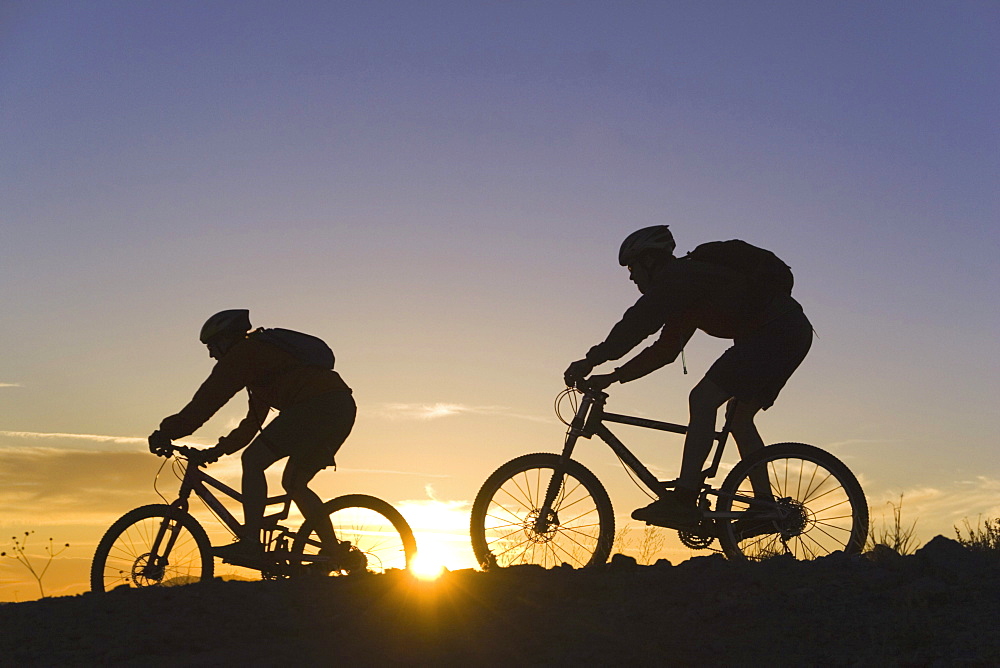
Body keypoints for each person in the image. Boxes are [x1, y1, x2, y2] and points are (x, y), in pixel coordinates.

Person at [563, 226, 812, 529]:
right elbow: (665, 350)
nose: (631, 276)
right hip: (788, 332)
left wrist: (591, 360)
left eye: (632, 267)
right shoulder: (686, 289)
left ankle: (684, 496)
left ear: (651, 261)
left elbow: (637, 324)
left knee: (703, 398)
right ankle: (764, 507)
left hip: (775, 332)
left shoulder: (680, 277)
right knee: (739, 419)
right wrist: (615, 376)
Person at [148, 309, 356, 567]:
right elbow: (251, 425)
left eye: (212, 346)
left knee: (254, 460)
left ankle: (251, 543)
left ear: (226, 340)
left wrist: (165, 432)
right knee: (294, 482)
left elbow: (205, 403)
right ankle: (334, 554)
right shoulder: (263, 366)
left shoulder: (244, 356)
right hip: (339, 408)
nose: (212, 354)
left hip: (317, 407)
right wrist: (217, 451)